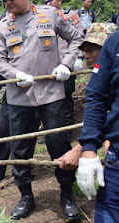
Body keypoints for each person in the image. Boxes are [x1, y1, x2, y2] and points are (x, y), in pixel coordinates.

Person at [0, 0, 83, 222]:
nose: (8, 3)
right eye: (4, 0)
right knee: (20, 148)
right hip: (19, 98)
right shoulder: (2, 26)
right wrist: (14, 74)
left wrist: (67, 63)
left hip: (51, 94)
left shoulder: (50, 15)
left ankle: (67, 194)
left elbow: (76, 38)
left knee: (58, 143)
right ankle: (26, 196)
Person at [77, 25, 119, 223]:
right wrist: (88, 148)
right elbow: (97, 97)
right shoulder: (115, 43)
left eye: (92, 50)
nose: (88, 56)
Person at [45, 0, 84, 142]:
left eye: (51, 0)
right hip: (50, 66)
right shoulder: (43, 16)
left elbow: (78, 35)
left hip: (66, 64)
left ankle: (68, 131)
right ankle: (51, 132)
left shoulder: (70, 15)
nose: (48, 3)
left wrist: (79, 57)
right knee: (51, 100)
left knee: (66, 98)